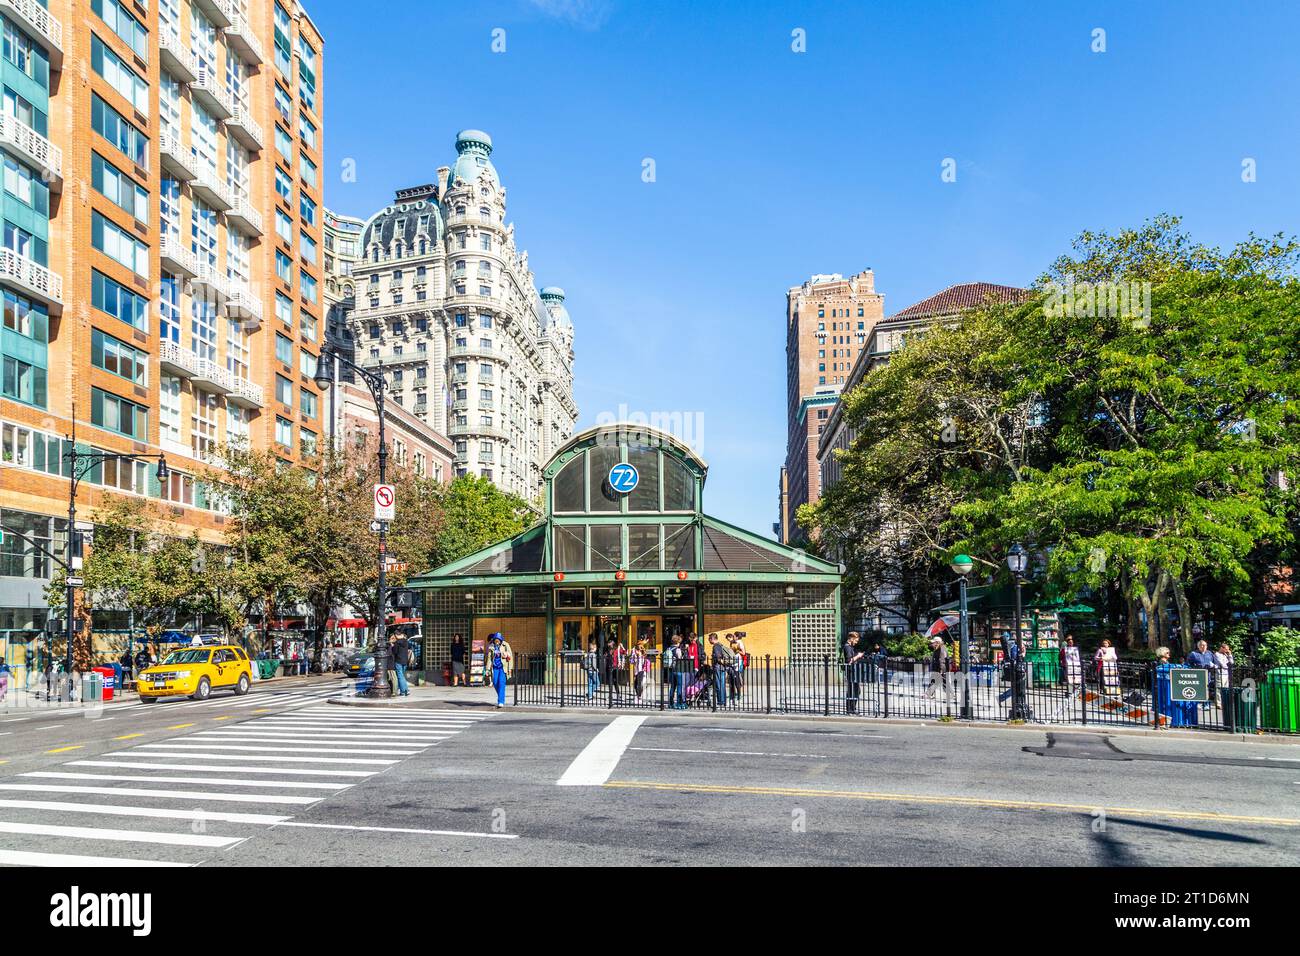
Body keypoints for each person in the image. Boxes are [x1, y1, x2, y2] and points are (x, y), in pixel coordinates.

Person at [707, 633, 734, 707]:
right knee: (722, 685)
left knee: (719, 685)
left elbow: (718, 658)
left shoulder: (716, 646)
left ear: (712, 639)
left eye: (709, 639)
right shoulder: (720, 645)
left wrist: (720, 662)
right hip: (722, 668)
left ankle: (721, 702)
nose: (708, 640)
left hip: (718, 667)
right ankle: (723, 701)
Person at [486, 632, 512, 708]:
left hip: (503, 667)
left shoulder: (506, 645)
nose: (497, 642)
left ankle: (501, 701)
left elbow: (510, 658)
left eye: (498, 640)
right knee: (495, 682)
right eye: (495, 640)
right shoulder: (491, 647)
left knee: (501, 683)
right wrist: (487, 669)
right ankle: (501, 695)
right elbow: (489, 659)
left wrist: (510, 668)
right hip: (495, 668)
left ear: (501, 640)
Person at [843, 631, 864, 714]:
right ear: (851, 638)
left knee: (855, 690)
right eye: (856, 640)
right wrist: (858, 656)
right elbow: (849, 660)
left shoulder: (850, 647)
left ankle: (851, 709)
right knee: (853, 691)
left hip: (853, 671)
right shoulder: (847, 647)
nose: (856, 642)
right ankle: (850, 709)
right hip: (850, 671)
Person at [663, 633, 686, 709]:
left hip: (671, 670)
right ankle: (679, 703)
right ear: (678, 642)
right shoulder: (678, 649)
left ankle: (671, 703)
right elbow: (680, 658)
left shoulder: (669, 649)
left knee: (672, 687)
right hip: (678, 669)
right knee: (679, 686)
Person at [924, 637, 950, 702]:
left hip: (940, 668)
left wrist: (941, 670)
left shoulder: (942, 649)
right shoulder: (938, 648)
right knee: (935, 681)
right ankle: (930, 694)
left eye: (933, 642)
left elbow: (942, 660)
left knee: (943, 682)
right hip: (937, 668)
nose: (932, 644)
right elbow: (930, 649)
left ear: (937, 642)